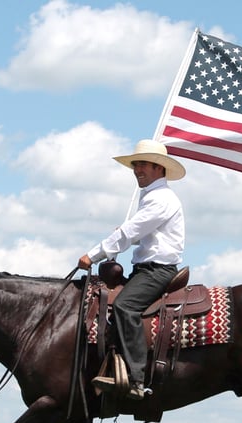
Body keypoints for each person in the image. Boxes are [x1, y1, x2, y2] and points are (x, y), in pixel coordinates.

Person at [78, 139, 186, 399]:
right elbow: (138, 234)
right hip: (145, 268)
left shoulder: (161, 198)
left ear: (159, 168)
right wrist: (117, 245)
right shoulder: (151, 197)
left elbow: (131, 231)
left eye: (144, 164)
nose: (138, 169)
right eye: (135, 164)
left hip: (157, 271)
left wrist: (93, 255)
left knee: (125, 307)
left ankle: (136, 380)